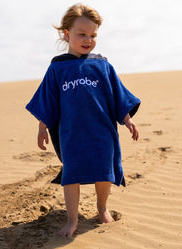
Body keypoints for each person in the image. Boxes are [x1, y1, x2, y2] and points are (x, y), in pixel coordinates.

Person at [26, 3, 141, 238]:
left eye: (93, 35)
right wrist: (42, 127)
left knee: (104, 171)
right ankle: (72, 220)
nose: (88, 39)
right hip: (72, 134)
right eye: (82, 34)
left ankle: (102, 208)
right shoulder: (58, 69)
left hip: (102, 132)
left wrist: (127, 119)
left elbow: (118, 95)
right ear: (66, 34)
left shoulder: (102, 65)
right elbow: (47, 100)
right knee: (72, 173)